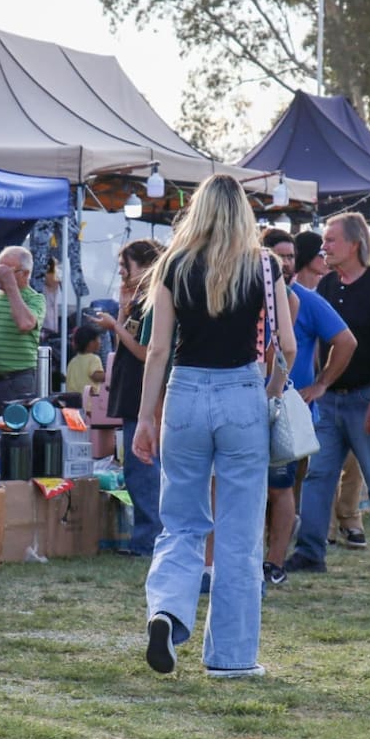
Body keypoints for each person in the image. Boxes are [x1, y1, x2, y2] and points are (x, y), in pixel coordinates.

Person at [135, 174, 295, 679]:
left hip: (184, 392)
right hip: (242, 391)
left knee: (181, 521)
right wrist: (267, 394)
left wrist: (145, 417)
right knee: (239, 534)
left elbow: (158, 349)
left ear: (197, 210)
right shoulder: (264, 265)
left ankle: (166, 612)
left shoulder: (174, 264)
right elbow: (287, 346)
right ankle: (231, 658)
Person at [286, 212, 370, 574]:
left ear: (354, 244)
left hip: (365, 397)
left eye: (331, 239)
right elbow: (318, 342)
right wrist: (320, 383)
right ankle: (310, 552)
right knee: (318, 476)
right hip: (330, 401)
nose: (324, 247)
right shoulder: (327, 286)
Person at [260, 228, 356, 584]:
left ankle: (275, 563)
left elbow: (346, 341)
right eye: (279, 255)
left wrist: (320, 384)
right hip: (244, 406)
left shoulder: (303, 299)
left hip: (285, 412)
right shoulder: (245, 296)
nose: (286, 263)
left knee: (280, 488)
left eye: (290, 256)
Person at [290, 231, 366, 551]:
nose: (326, 258)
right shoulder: (304, 294)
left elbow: (345, 340)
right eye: (321, 253)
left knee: (340, 461)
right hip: (297, 396)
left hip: (331, 389)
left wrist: (321, 382)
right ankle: (319, 529)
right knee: (304, 471)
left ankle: (344, 521)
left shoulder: (321, 292)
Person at [95, 239, 163, 558]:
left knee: (144, 470)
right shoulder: (138, 301)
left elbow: (144, 352)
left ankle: (148, 541)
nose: (121, 271)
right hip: (131, 392)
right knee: (135, 470)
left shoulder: (156, 301)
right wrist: (122, 312)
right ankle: (144, 539)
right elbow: (126, 344)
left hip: (143, 395)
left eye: (126, 265)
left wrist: (115, 325)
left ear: (146, 265)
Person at [0, 246, 45, 415]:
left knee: (16, 429)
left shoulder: (35, 299)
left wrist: (10, 286)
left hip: (17, 382)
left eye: (6, 272)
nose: (0, 275)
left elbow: (25, 324)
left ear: (25, 273)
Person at [65, 325, 105, 393]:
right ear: (91, 343)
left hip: (72, 397)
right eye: (98, 339)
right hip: (88, 398)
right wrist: (109, 375)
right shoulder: (93, 359)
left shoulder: (72, 362)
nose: (100, 342)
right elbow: (96, 376)